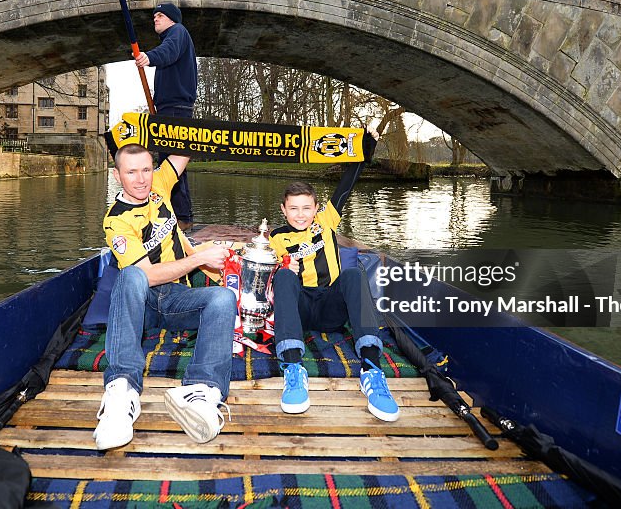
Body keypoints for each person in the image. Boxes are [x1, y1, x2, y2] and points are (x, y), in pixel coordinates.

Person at [95, 142, 236, 450]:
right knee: (132, 274)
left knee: (224, 298)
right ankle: (122, 391)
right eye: (131, 172)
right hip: (142, 301)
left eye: (146, 169)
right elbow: (147, 275)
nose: (142, 179)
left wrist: (197, 129)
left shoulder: (159, 183)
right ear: (117, 175)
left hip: (175, 299)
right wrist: (200, 259)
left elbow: (187, 145)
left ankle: (201, 390)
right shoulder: (116, 220)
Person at [268, 130, 400, 422]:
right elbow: (265, 277)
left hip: (330, 307)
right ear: (283, 210)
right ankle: (292, 366)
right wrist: (279, 268)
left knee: (353, 274)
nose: (300, 215)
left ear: (316, 208)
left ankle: (371, 368)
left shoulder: (325, 222)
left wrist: (367, 144)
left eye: (306, 208)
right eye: (293, 209)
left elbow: (347, 184)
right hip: (299, 310)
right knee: (284, 277)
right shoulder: (275, 237)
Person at [134, 3, 197, 231]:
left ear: (172, 18)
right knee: (170, 164)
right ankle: (175, 215)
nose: (155, 19)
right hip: (167, 108)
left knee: (172, 164)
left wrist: (148, 58)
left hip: (176, 109)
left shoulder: (177, 32)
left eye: (160, 15)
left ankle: (181, 217)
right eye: (154, 16)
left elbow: (167, 52)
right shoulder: (172, 37)